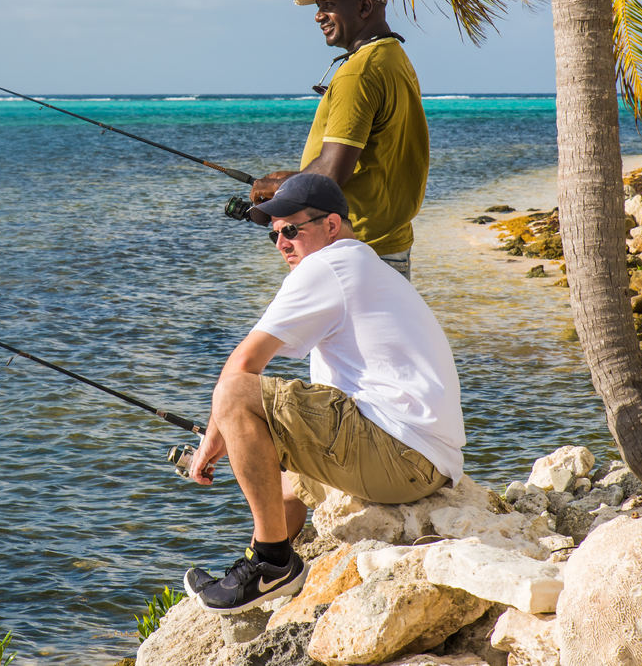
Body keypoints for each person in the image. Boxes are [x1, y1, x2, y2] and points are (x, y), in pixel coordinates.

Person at [183, 172, 465, 614]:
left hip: (402, 454)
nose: (281, 243)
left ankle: (273, 565)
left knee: (236, 394)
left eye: (291, 230)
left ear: (332, 226)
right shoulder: (365, 265)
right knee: (279, 478)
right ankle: (264, 572)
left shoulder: (329, 265)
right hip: (422, 462)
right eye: (274, 234)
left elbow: (241, 367)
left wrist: (212, 440)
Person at [250, 0, 429, 280]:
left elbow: (331, 173)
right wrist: (292, 177)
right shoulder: (393, 57)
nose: (318, 15)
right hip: (386, 244)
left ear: (363, 7)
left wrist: (278, 188)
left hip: (354, 249)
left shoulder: (359, 72)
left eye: (329, 5)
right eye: (318, 6)